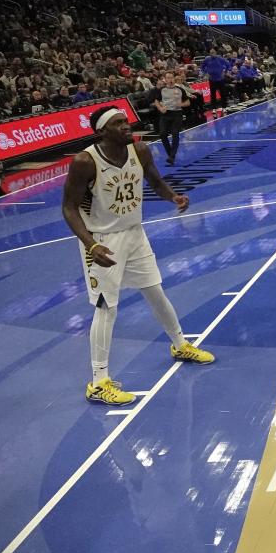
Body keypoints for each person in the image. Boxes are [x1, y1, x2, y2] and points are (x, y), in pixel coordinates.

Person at [61, 106, 214, 406]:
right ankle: (98, 382)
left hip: (135, 233)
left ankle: (180, 345)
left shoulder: (140, 150)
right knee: (107, 307)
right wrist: (91, 244)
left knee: (155, 290)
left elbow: (154, 181)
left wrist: (173, 196)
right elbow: (68, 207)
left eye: (125, 121)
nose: (126, 126)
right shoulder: (85, 161)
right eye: (117, 123)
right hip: (102, 241)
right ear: (101, 131)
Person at [153, 70, 190, 165]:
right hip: (165, 114)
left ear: (174, 79)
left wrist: (181, 104)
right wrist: (160, 108)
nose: (170, 79)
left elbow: (188, 102)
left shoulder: (180, 89)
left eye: (171, 78)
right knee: (162, 134)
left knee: (175, 133)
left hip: (177, 114)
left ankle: (172, 156)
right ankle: (170, 154)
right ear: (165, 79)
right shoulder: (162, 90)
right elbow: (156, 101)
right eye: (168, 78)